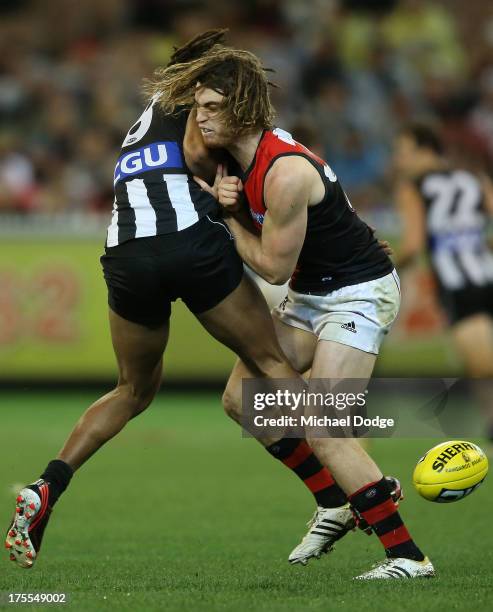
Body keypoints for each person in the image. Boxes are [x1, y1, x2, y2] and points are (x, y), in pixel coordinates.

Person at [5, 31, 350, 571]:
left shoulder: (147, 114)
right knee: (268, 362)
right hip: (188, 238)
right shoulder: (196, 107)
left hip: (124, 253)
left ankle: (49, 484)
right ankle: (356, 477)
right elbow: (196, 153)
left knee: (132, 388)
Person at [151, 45, 435, 579]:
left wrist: (225, 213)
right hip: (313, 291)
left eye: (212, 106)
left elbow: (272, 270)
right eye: (200, 105)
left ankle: (407, 557)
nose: (201, 115)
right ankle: (337, 501)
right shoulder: (238, 159)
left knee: (325, 430)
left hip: (357, 294)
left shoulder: (284, 173)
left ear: (241, 109)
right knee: (241, 400)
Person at [393, 123, 493, 449]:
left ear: (425, 150)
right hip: (487, 272)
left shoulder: (413, 186)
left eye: (404, 152)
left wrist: (384, 270)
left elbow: (412, 244)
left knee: (481, 365)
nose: (399, 161)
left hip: (457, 282)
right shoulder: (474, 179)